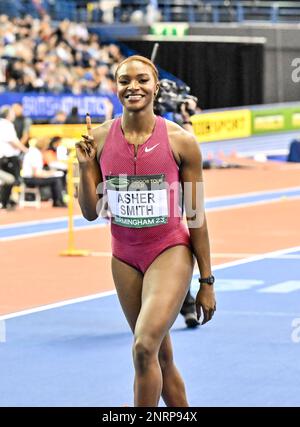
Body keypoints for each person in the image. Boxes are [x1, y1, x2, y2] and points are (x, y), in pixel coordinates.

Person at [75, 55, 216, 407]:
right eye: (124, 81)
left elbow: (195, 215)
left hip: (169, 251)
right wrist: (84, 167)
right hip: (123, 256)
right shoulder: (100, 138)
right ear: (116, 87)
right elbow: (91, 213)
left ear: (155, 86)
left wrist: (207, 282)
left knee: (142, 347)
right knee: (161, 359)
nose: (132, 87)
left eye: (141, 80)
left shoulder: (182, 142)